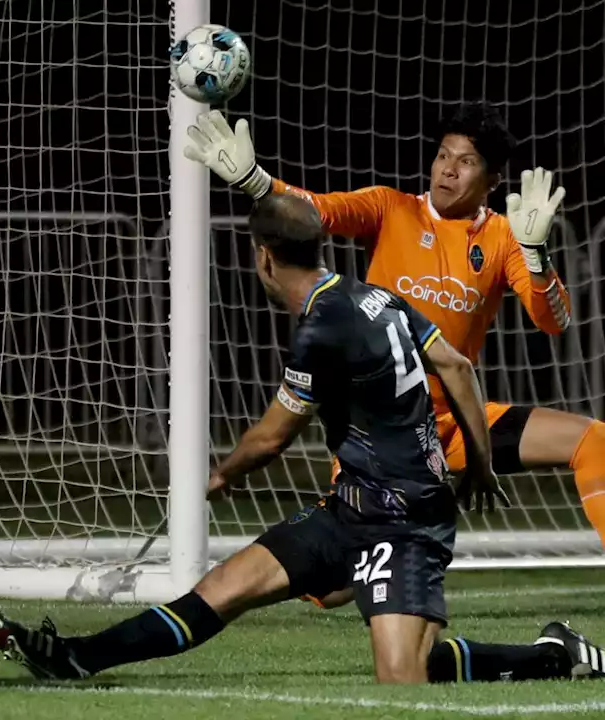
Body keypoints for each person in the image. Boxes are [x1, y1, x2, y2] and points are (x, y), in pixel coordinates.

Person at [0, 194, 605, 684]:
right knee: (222, 590)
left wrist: (222, 476)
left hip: (403, 523)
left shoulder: (321, 329)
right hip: (350, 510)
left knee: (403, 681)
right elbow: (457, 365)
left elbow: (273, 438)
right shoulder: (376, 296)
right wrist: (479, 466)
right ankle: (74, 657)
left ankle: (550, 655)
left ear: (263, 258)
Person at [182, 103, 605, 569]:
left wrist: (535, 254)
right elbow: (314, 211)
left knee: (593, 440)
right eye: (443, 155)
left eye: (465, 162)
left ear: (492, 180)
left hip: (457, 423)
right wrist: (255, 182)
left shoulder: (505, 238)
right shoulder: (390, 209)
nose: (447, 170)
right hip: (381, 432)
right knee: (342, 581)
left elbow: (554, 321)